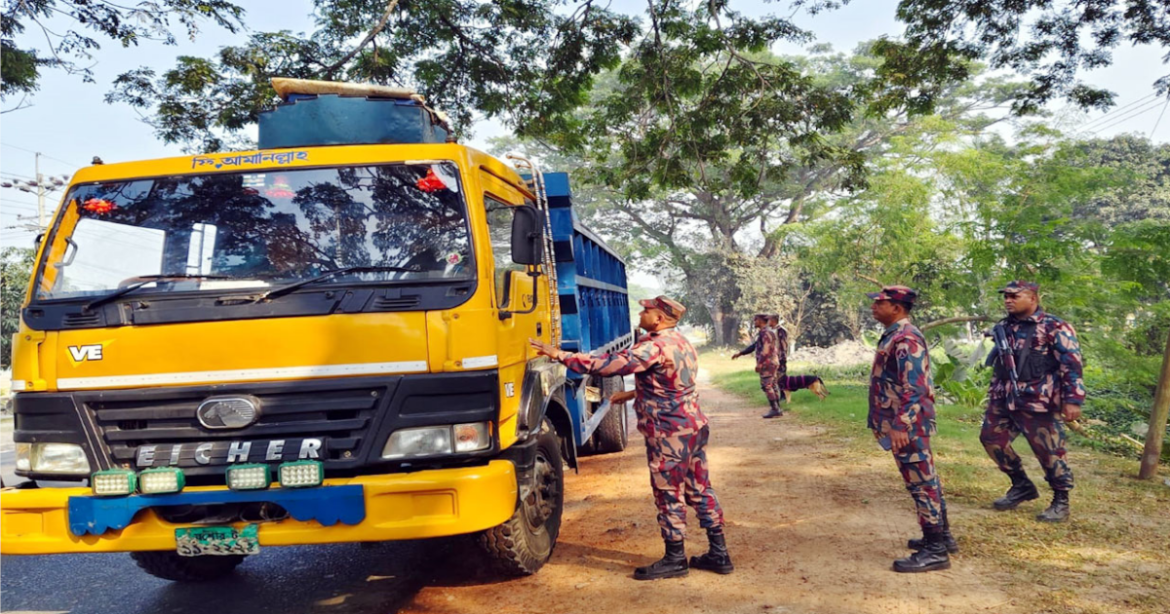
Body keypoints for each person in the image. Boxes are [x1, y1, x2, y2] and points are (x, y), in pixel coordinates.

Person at [529, 295, 732, 580]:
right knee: (700, 488)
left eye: (646, 310)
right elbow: (671, 383)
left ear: (659, 318)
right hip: (692, 427)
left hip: (668, 433)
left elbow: (606, 365)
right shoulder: (681, 342)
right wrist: (632, 394)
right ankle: (719, 554)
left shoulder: (653, 347)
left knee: (668, 492)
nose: (641, 313)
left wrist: (558, 355)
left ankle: (675, 559)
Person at [980, 281, 1084, 523]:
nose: (1008, 300)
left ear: (1033, 298)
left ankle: (1061, 500)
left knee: (1049, 451)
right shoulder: (1004, 326)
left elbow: (1072, 364)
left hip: (1039, 400)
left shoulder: (1054, 326)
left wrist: (1073, 399)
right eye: (1006, 296)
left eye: (1015, 296)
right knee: (991, 439)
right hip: (1004, 396)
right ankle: (1021, 485)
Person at [867, 285, 954, 573]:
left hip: (907, 424)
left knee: (921, 483)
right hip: (902, 422)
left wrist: (900, 424)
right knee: (926, 479)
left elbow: (915, 386)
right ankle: (942, 537)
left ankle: (935, 550)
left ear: (897, 308)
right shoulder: (895, 334)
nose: (874, 307)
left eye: (880, 303)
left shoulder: (906, 338)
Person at [732, 315, 828, 405]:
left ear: (773, 320)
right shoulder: (768, 332)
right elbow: (755, 345)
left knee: (779, 381)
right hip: (769, 361)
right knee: (775, 381)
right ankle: (779, 401)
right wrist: (741, 353)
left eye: (769, 319)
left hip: (777, 360)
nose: (768, 321)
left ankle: (779, 402)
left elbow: (783, 346)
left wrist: (780, 359)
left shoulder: (780, 331)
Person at [732, 314, 785, 418]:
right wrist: (741, 353)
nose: (754, 322)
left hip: (768, 363)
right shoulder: (765, 333)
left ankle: (775, 409)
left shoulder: (766, 333)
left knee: (767, 385)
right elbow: (754, 346)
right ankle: (777, 408)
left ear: (760, 321)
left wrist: (760, 363)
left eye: (755, 320)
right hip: (771, 362)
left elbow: (765, 350)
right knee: (772, 385)